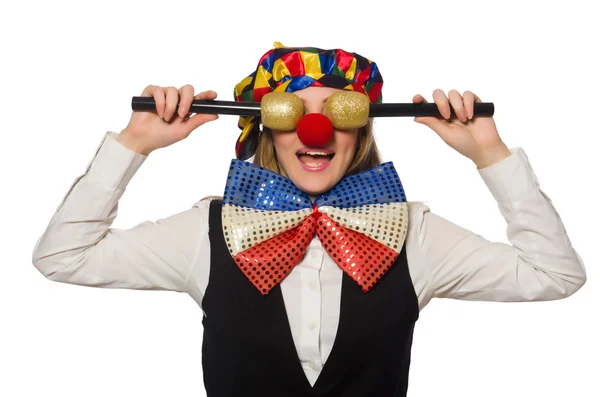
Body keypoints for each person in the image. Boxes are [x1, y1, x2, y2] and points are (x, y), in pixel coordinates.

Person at [31, 42, 586, 396]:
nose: (315, 132)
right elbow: (62, 257)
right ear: (265, 126)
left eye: (338, 112)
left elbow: (554, 275)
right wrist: (134, 144)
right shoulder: (208, 232)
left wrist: (490, 154)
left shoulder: (413, 234)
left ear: (363, 128)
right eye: (291, 111)